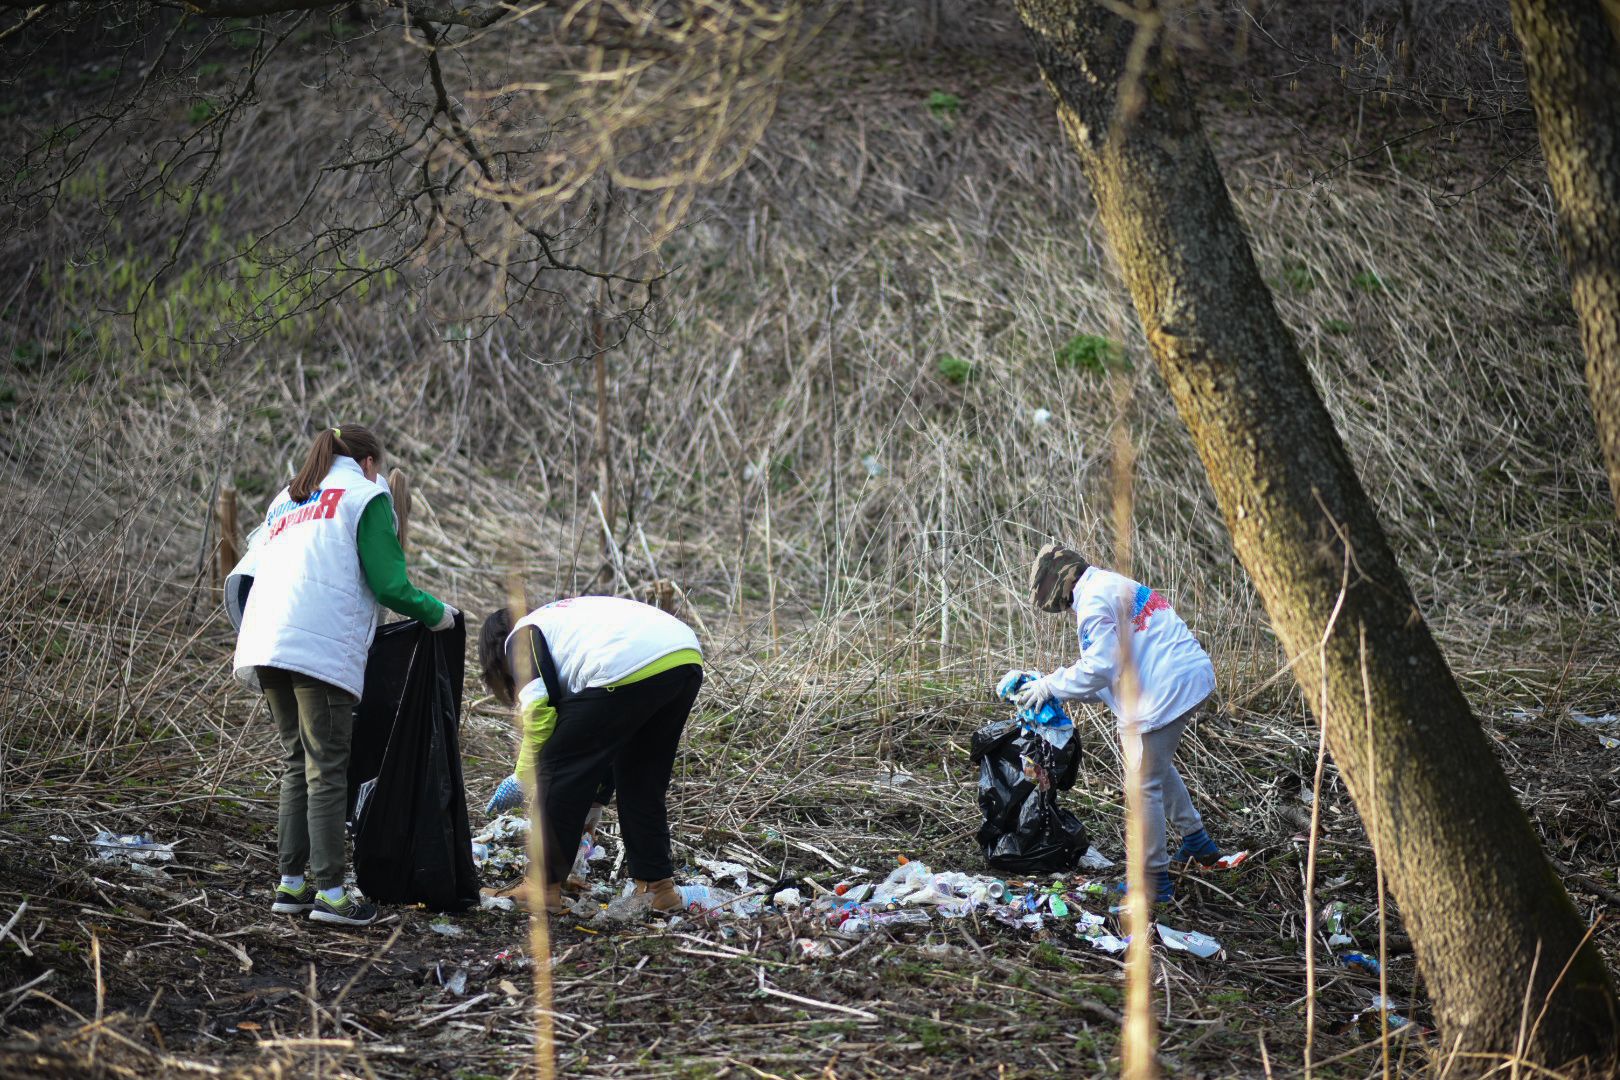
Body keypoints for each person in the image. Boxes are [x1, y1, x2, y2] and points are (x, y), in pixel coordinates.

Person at [233, 425, 457, 926]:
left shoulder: (284, 500)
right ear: (370, 462)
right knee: (327, 768)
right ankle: (332, 893)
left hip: (265, 641)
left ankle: (291, 886)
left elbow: (247, 573)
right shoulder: (365, 495)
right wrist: (437, 612)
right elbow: (390, 583)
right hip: (318, 646)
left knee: (298, 762)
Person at [1010, 542, 1222, 903]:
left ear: (1055, 586)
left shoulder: (1091, 604)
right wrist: (1058, 690)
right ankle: (1198, 843)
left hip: (1166, 689)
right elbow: (1113, 672)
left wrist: (1048, 684)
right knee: (1155, 766)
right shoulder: (1109, 584)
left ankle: (1154, 881)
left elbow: (1099, 668)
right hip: (1189, 677)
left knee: (1143, 786)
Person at [478, 596, 702, 912]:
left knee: (557, 764)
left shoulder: (519, 636)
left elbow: (540, 716)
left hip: (629, 662)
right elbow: (602, 740)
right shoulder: (567, 626)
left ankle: (542, 886)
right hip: (682, 657)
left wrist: (522, 774)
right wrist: (593, 807)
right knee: (640, 779)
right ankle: (658, 889)